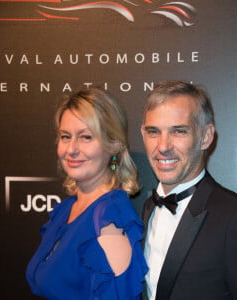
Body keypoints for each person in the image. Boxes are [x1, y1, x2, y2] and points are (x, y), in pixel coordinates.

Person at [141, 80, 237, 300]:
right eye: (154, 132)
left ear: (206, 136)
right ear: (143, 135)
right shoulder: (149, 206)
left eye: (179, 132)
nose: (163, 146)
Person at [26, 88, 148, 300]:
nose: (71, 149)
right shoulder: (67, 208)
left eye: (85, 137)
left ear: (114, 144)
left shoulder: (108, 218)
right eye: (65, 136)